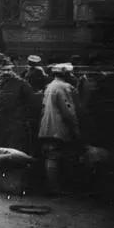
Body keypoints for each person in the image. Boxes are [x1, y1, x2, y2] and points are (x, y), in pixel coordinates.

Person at [39, 63, 81, 195]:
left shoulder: (50, 86)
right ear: (66, 74)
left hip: (47, 126)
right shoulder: (65, 87)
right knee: (58, 157)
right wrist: (75, 129)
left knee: (51, 157)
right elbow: (68, 112)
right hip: (59, 128)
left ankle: (52, 188)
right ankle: (58, 189)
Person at [0, 58, 34, 154]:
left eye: (8, 70)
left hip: (15, 123)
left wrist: (23, 117)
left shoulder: (22, 84)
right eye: (4, 70)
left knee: (14, 151)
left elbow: (30, 102)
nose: (6, 72)